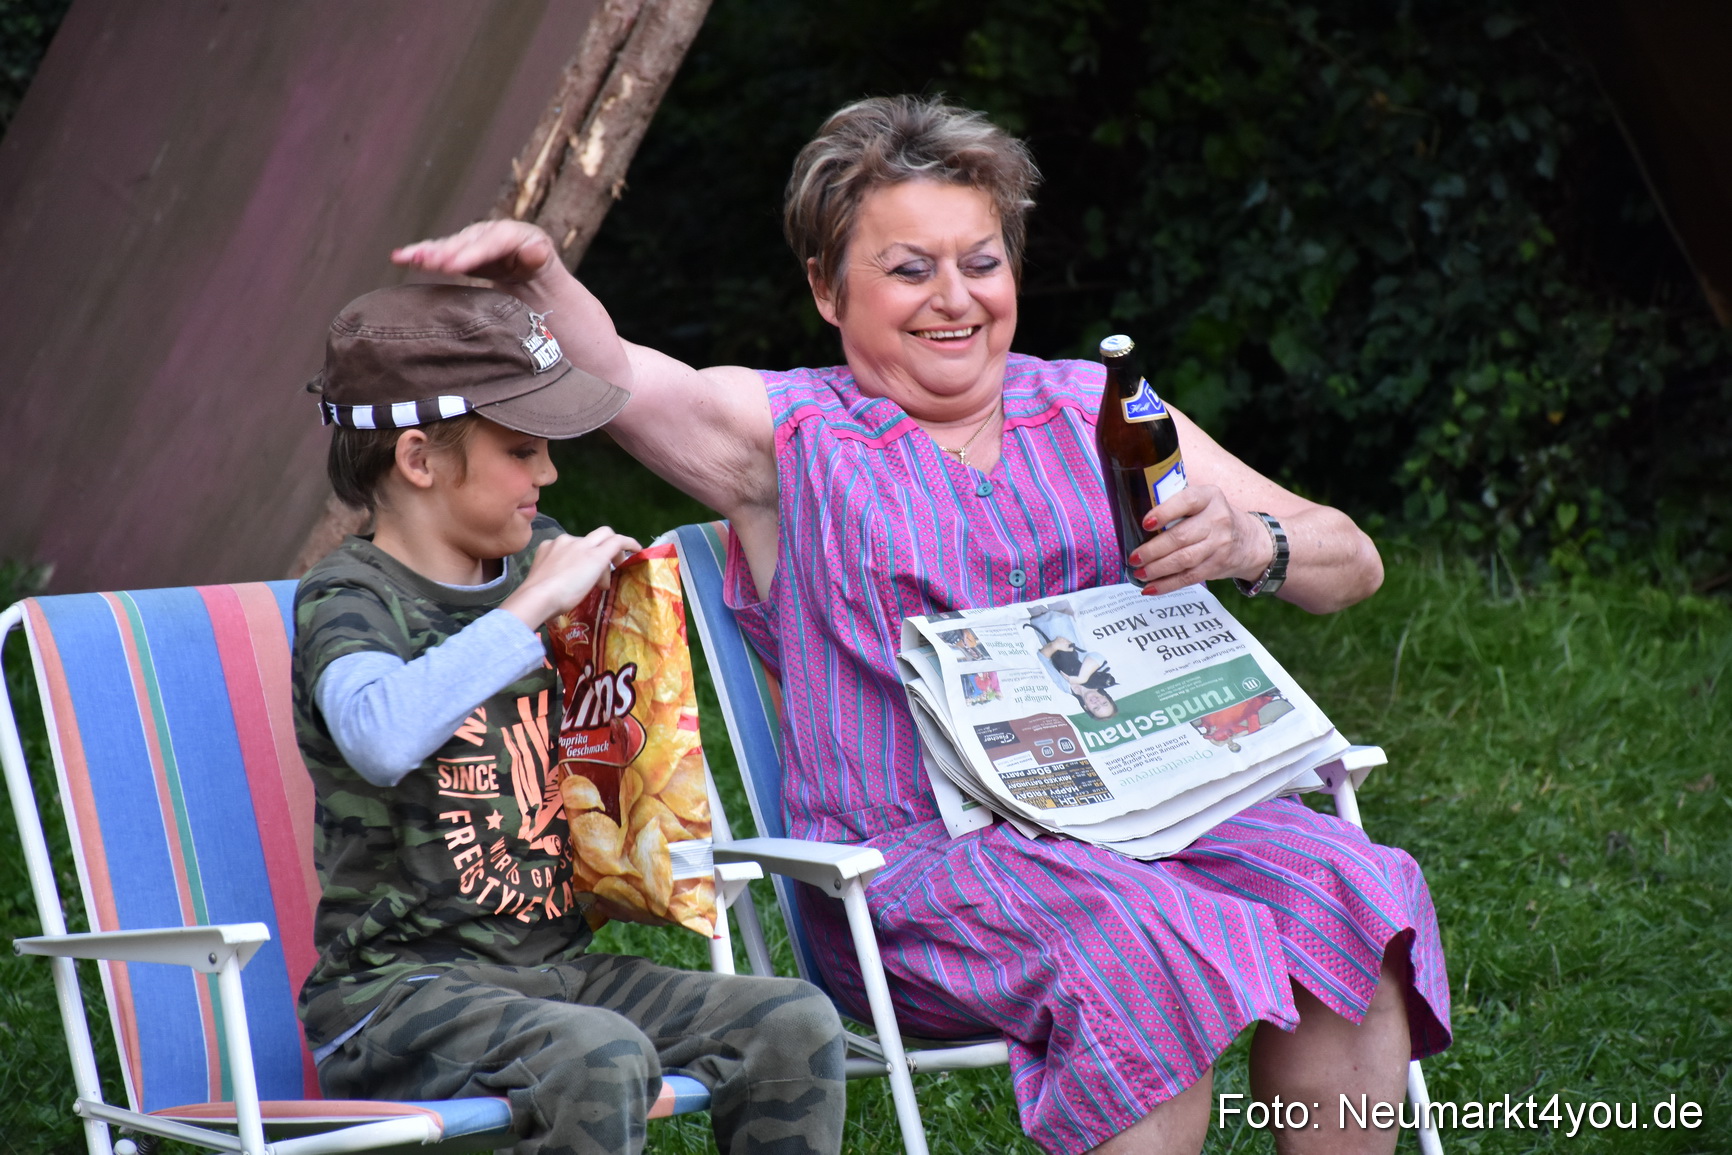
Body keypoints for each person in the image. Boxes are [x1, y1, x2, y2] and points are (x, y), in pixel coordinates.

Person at [394, 95, 1451, 1155]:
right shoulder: (787, 440)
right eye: (908, 270)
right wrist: (539, 277)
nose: (954, 300)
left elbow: (1347, 559)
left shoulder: (1101, 410)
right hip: (911, 871)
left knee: (1353, 889)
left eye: (980, 263)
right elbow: (607, 372)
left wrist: (1250, 543)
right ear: (825, 288)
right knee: (1147, 941)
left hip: (1157, 823)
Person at [291, 284, 845, 1155]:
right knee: (599, 1053)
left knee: (792, 1022)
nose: (548, 474)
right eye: (522, 450)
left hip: (550, 974)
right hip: (397, 996)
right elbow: (379, 734)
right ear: (418, 459)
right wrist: (534, 606)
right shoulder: (351, 597)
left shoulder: (531, 558)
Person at [1024, 603, 1119, 718]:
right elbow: (1096, 657)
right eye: (1104, 703)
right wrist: (1081, 678)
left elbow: (1043, 659)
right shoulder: (1100, 679)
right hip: (1064, 614)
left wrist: (1055, 646)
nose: (1097, 702)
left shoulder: (1065, 688)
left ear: (1086, 707)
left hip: (1041, 620)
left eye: (1096, 708)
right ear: (1106, 697)